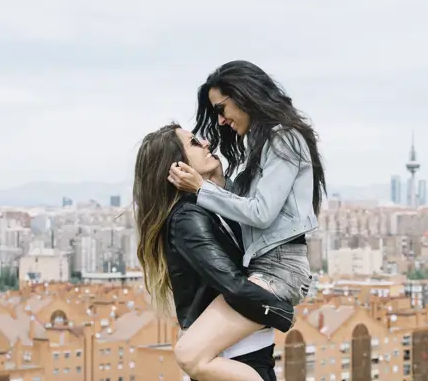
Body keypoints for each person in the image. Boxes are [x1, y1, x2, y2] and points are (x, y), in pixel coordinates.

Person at [167, 60, 326, 380]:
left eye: (222, 108)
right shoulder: (264, 145)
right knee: (190, 351)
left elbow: (260, 213)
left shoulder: (285, 139)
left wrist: (201, 189)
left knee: (188, 352)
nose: (222, 120)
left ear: (245, 95)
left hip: (279, 269)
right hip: (267, 267)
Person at [134, 123, 294, 380]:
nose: (207, 143)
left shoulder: (210, 205)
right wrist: (282, 311)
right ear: (177, 166)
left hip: (243, 356)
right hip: (229, 359)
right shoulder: (188, 217)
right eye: (195, 143)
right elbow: (232, 282)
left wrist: (218, 181)